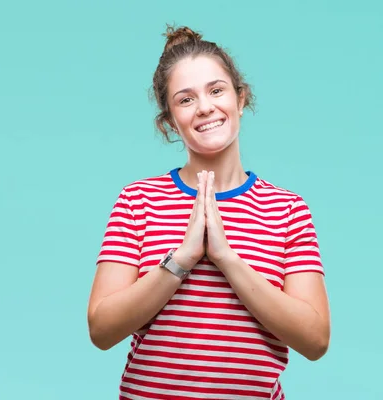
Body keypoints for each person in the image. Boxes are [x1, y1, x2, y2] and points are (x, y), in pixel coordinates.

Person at [87, 25, 331, 400]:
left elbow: (315, 340)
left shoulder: (288, 209)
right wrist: (182, 257)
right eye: (185, 100)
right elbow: (102, 330)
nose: (204, 107)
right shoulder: (139, 200)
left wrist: (226, 257)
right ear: (169, 120)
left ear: (241, 98)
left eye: (216, 90)